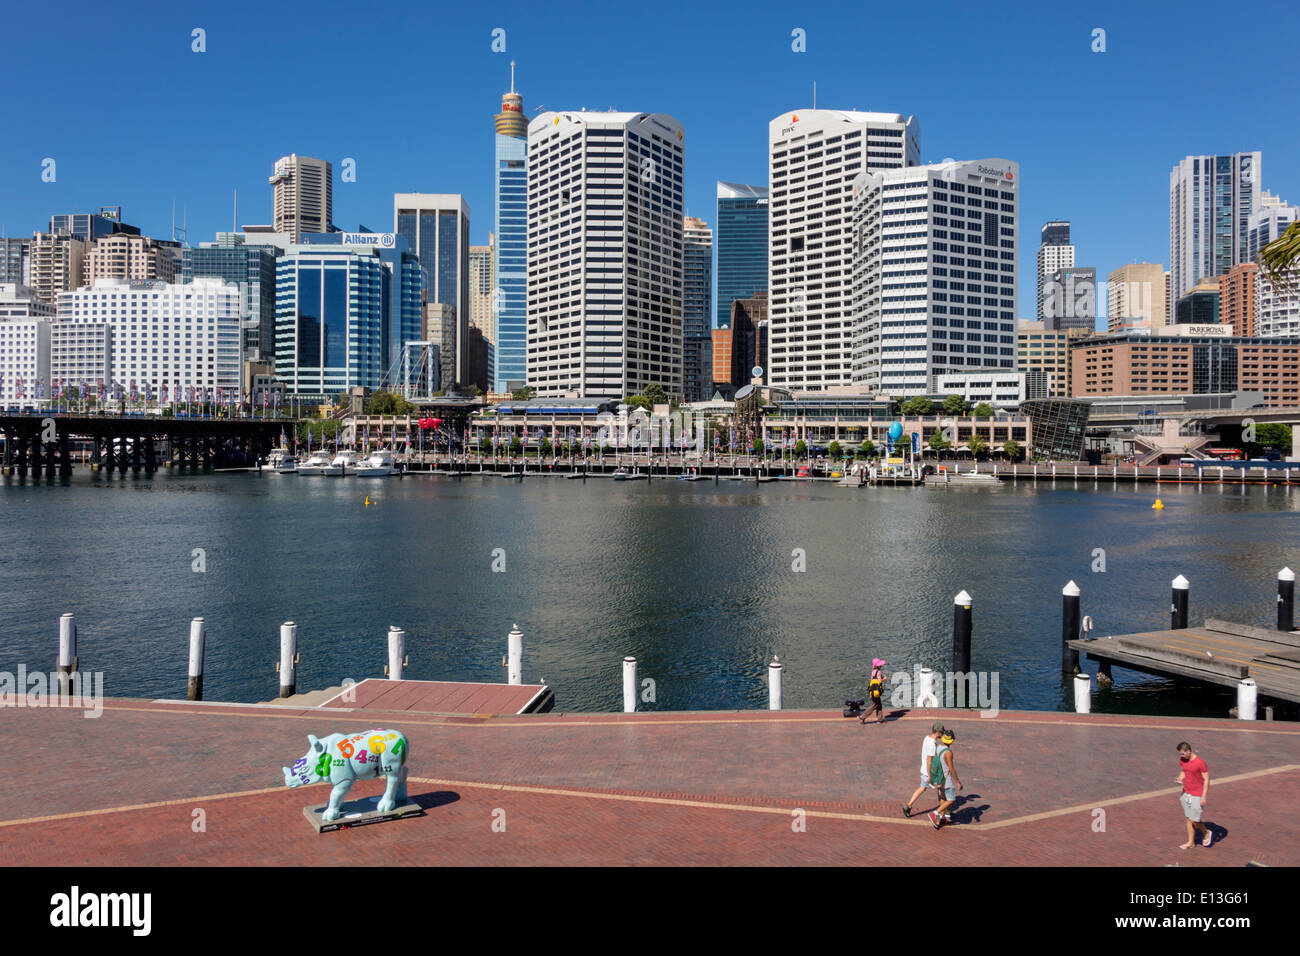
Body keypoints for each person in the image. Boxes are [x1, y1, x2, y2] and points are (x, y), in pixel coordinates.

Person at [902, 722, 944, 817]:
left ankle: (908, 806)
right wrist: (930, 775)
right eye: (941, 732)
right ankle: (942, 810)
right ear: (937, 732)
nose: (942, 734)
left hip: (924, 769)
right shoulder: (932, 744)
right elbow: (930, 759)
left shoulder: (926, 738)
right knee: (940, 788)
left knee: (922, 788)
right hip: (930, 772)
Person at [1176, 741, 1212, 849]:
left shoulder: (1200, 762)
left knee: (1194, 819)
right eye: (1180, 754)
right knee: (1188, 818)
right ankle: (1190, 842)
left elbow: (1206, 780)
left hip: (1197, 794)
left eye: (1182, 753)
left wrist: (1204, 796)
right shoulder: (1183, 760)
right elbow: (1184, 770)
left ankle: (1206, 832)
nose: (1181, 756)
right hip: (1186, 792)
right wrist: (1180, 778)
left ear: (1189, 751)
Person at [929, 729, 962, 829]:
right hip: (946, 779)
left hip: (939, 777)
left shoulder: (938, 747)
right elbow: (951, 768)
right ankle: (935, 813)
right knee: (951, 799)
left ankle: (942, 818)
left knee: (942, 798)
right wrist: (958, 782)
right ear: (951, 741)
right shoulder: (948, 752)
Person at [861, 659, 887, 725]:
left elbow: (872, 680)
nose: (881, 666)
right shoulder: (879, 672)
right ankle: (862, 717)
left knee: (879, 704)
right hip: (876, 691)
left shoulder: (873, 672)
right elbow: (879, 681)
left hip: (872, 690)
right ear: (878, 666)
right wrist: (884, 678)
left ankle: (880, 719)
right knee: (875, 705)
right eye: (880, 665)